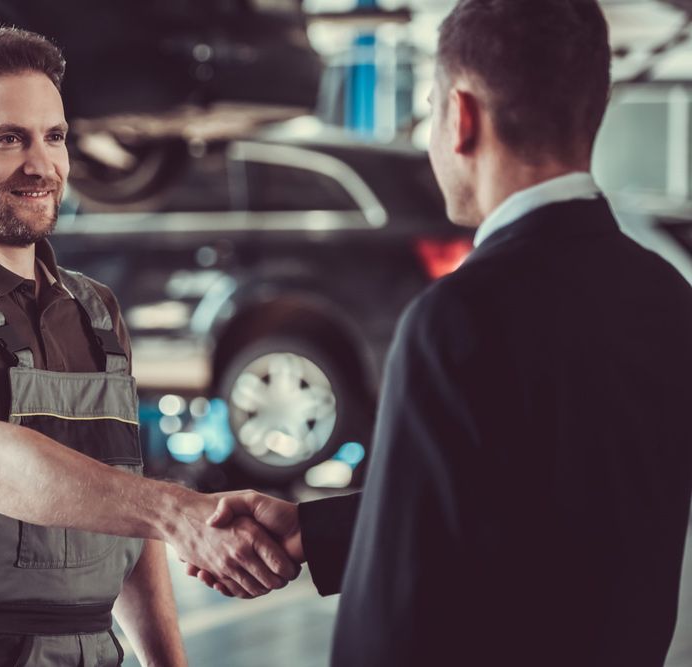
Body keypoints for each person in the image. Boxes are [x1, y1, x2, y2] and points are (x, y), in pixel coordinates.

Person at [191, 1, 692, 665]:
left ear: (460, 116)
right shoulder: (666, 295)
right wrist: (317, 528)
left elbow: (397, 608)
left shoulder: (458, 317)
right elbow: (539, 509)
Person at [0, 27, 297, 667]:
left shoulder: (94, 310)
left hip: (96, 649)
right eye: (7, 139)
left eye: (52, 136)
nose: (40, 163)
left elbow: (123, 497)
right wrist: (177, 513)